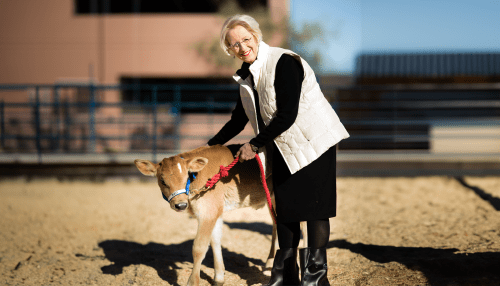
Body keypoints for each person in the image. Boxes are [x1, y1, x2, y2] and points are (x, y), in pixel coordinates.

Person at [206, 14, 350, 286]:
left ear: (257, 36)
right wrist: (209, 147)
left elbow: (287, 114)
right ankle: (285, 275)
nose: (242, 47)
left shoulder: (284, 62)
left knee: (315, 210)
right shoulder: (247, 76)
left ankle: (315, 277)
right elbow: (239, 119)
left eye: (246, 39)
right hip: (282, 146)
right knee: (286, 210)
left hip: (314, 142)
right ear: (229, 50)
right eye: (234, 44)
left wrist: (255, 144)